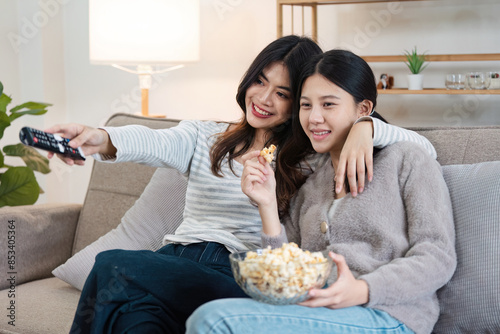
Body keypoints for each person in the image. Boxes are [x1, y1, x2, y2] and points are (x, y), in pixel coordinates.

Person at [49, 36, 436, 333]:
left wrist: (367, 128)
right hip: (170, 264)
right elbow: (152, 141)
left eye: (283, 94)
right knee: (134, 319)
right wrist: (98, 138)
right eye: (260, 82)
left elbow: (423, 147)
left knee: (113, 263)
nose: (264, 99)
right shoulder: (205, 137)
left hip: (235, 272)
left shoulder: (312, 157)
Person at [185, 49, 456, 334]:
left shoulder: (406, 160)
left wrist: (363, 289)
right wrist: (266, 204)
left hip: (388, 315)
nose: (314, 118)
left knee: (215, 320)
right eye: (305, 105)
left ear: (363, 110)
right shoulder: (312, 183)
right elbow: (286, 271)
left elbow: (437, 256)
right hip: (317, 312)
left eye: (328, 104)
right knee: (210, 310)